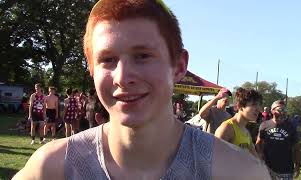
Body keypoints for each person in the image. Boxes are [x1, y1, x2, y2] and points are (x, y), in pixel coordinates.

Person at [13, 1, 271, 179]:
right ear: (91, 69)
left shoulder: (238, 173)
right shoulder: (52, 169)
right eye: (108, 60)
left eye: (143, 56)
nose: (123, 77)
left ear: (179, 65)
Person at [256, 100, 301, 180]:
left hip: (286, 170)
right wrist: (260, 154)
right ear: (272, 110)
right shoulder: (264, 125)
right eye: (280, 109)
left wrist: (297, 165)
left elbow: (297, 148)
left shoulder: (290, 126)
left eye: (284, 109)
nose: (283, 111)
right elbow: (258, 143)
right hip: (267, 168)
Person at [215, 88, 262, 158]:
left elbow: (256, 160)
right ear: (240, 106)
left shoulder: (246, 132)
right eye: (253, 105)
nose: (258, 109)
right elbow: (215, 158)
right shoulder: (227, 128)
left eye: (258, 105)